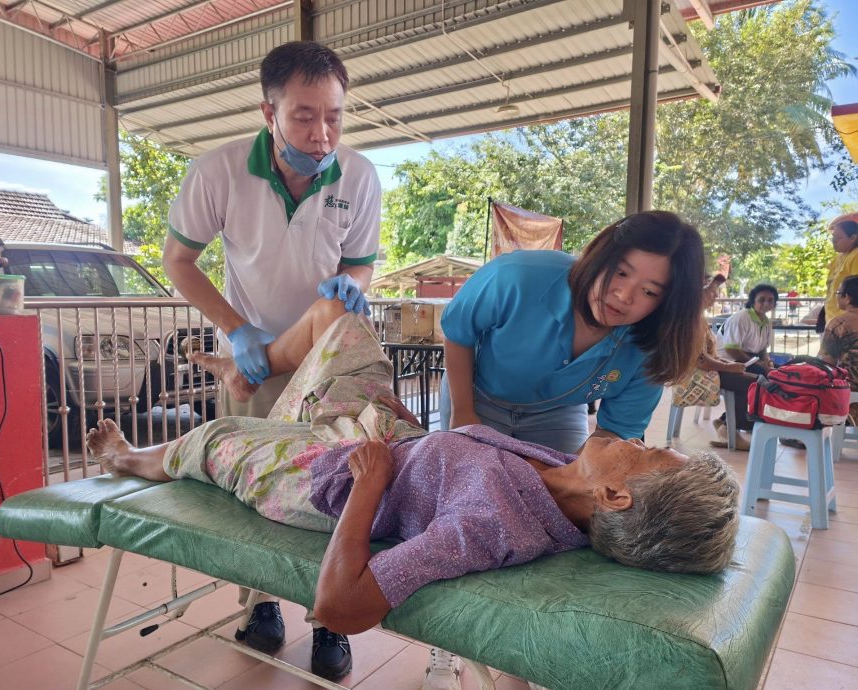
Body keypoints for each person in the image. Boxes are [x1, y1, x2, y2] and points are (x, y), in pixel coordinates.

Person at [87, 298, 740, 640]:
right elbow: (459, 472)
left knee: (215, 435)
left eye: (648, 452)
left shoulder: (490, 527)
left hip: (327, 478)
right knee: (343, 323)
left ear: (616, 496)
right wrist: (425, 443)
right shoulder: (560, 469)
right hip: (389, 436)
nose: (638, 439)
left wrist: (368, 487)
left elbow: (339, 607)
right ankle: (249, 374)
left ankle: (129, 458)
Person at [162, 41, 381, 679]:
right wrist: (237, 332)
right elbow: (179, 261)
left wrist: (352, 287)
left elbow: (360, 263)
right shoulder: (220, 171)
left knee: (328, 482)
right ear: (269, 112)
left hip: (326, 359)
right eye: (304, 117)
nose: (322, 134)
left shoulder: (359, 176)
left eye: (334, 117)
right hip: (253, 361)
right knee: (251, 486)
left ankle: (327, 619)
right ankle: (260, 605)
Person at [439, 210, 706, 454]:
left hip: (557, 411)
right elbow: (458, 333)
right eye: (621, 272)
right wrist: (463, 412)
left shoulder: (654, 349)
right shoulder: (517, 276)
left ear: (668, 303)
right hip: (475, 394)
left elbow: (615, 431)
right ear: (602, 256)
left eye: (649, 291)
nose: (624, 296)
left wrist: (567, 477)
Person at [671, 275, 756, 450]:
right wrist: (727, 367)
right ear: (696, 294)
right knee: (751, 383)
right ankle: (729, 429)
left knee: (752, 379)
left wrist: (728, 365)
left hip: (704, 369)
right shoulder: (689, 319)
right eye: (711, 291)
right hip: (693, 374)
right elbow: (700, 360)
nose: (716, 296)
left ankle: (728, 425)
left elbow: (709, 355)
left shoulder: (697, 317)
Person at [711, 283, 779, 448]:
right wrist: (761, 365)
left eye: (770, 300)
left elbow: (762, 349)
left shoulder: (766, 322)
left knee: (777, 374)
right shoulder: (742, 318)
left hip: (748, 361)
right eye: (761, 299)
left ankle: (727, 420)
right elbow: (731, 350)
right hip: (727, 362)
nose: (766, 303)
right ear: (753, 301)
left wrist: (767, 362)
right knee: (762, 380)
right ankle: (730, 427)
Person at [819, 274, 858, 422]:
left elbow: (827, 363)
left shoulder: (838, 324)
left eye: (837, 293)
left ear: (846, 297)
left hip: (849, 393)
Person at [821, 215, 858, 332]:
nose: (834, 241)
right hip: (832, 322)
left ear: (853, 238)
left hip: (849, 327)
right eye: (833, 237)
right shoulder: (838, 258)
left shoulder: (856, 256)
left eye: (839, 238)